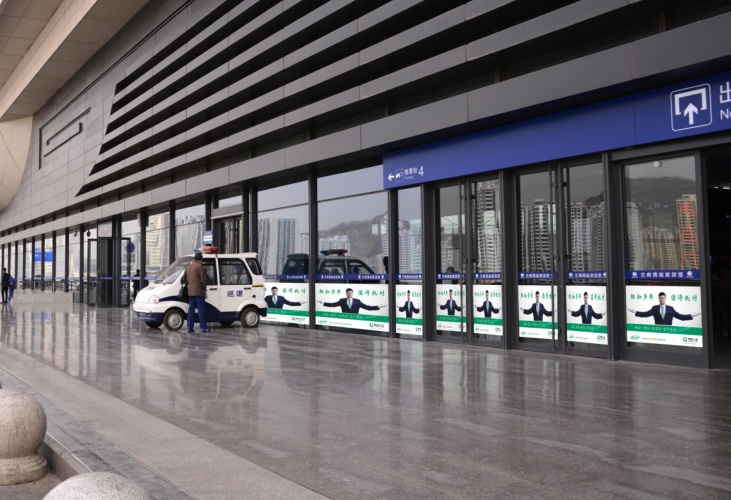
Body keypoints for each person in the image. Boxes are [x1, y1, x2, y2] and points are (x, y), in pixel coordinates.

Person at [628, 291, 700, 325]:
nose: (662, 299)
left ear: (665, 299)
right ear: (658, 299)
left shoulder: (670, 309)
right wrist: (635, 312)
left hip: (668, 331)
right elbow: (645, 314)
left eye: (663, 298)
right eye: (660, 298)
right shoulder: (655, 308)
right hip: (658, 331)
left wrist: (691, 315)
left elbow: (681, 317)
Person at [181, 253, 209, 334]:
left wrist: (189, 286)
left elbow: (184, 279)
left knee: (191, 310)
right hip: (199, 292)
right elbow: (203, 279)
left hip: (190, 292)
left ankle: (190, 327)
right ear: (201, 259)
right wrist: (204, 288)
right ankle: (203, 327)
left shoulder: (188, 267)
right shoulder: (200, 267)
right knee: (201, 310)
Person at [318, 288, 385, 313]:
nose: (349, 294)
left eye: (350, 292)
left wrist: (378, 306)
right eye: (348, 292)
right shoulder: (342, 300)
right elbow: (332, 305)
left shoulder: (357, 301)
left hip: (355, 319)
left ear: (352, 293)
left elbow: (367, 307)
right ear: (346, 293)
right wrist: (323, 302)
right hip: (345, 318)